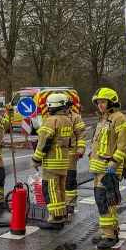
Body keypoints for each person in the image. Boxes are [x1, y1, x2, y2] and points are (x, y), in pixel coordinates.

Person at [89, 88, 126, 249]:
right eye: (98, 102)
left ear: (111, 102)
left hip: (109, 169)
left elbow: (123, 145)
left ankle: (109, 236)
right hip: (100, 168)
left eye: (102, 102)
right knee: (108, 200)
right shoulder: (104, 120)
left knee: (104, 201)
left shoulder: (120, 119)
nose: (100, 105)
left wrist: (114, 165)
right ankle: (109, 230)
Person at [31, 93, 81, 230]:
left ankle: (55, 219)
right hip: (64, 160)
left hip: (52, 161)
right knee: (60, 189)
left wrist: (36, 159)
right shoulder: (68, 120)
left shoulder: (50, 121)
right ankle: (62, 216)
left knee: (51, 190)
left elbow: (44, 143)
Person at [65, 105, 88, 216]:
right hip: (56, 154)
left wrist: (80, 149)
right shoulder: (53, 117)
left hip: (71, 153)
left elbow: (81, 134)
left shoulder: (75, 118)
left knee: (69, 179)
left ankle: (70, 204)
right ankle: (61, 203)